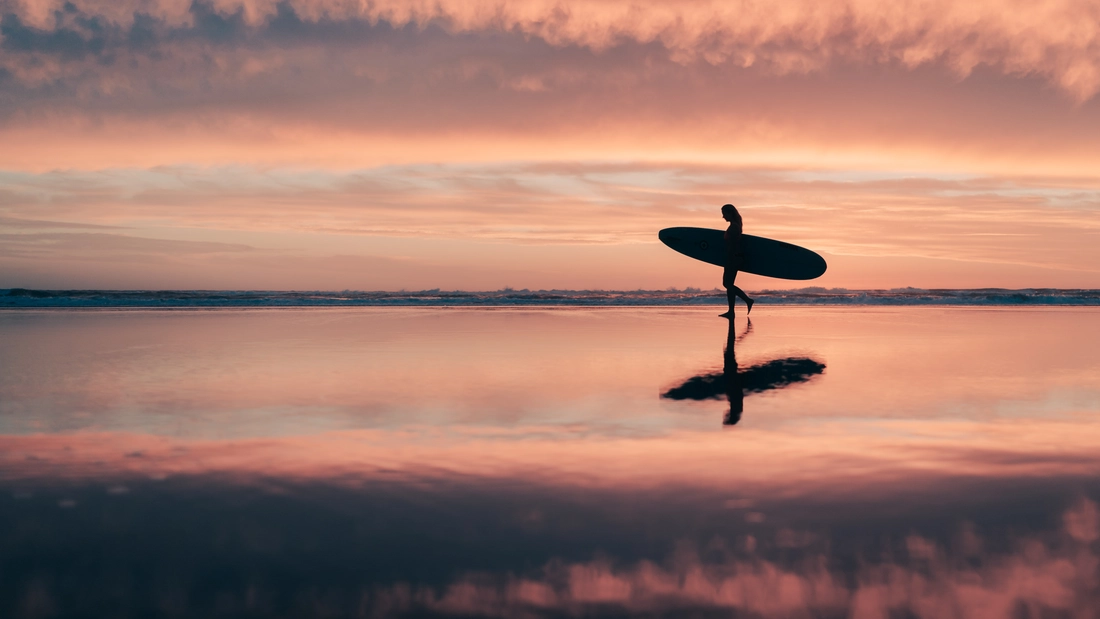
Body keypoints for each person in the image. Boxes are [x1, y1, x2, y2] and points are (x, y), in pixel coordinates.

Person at [720, 204, 754, 317]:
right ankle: (732, 311)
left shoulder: (734, 227)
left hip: (733, 258)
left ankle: (747, 301)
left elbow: (734, 245)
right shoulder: (735, 225)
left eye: (724, 213)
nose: (723, 216)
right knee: (728, 284)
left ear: (730, 213)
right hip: (733, 257)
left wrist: (730, 258)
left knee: (727, 284)